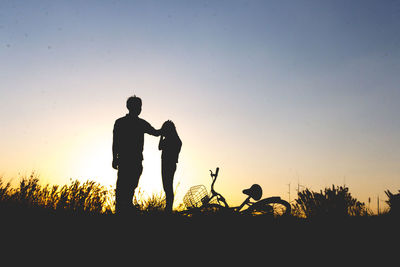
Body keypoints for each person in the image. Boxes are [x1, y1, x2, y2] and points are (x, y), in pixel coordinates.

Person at [112, 95, 161, 214]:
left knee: (126, 188)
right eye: (139, 106)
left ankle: (124, 210)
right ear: (131, 107)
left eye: (140, 106)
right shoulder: (137, 123)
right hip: (131, 161)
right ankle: (124, 211)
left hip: (127, 161)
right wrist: (114, 158)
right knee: (126, 188)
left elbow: (115, 143)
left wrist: (114, 158)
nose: (140, 109)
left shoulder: (121, 122)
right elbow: (156, 133)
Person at [158, 120, 182, 213]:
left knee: (168, 187)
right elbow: (160, 147)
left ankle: (168, 209)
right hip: (168, 164)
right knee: (168, 186)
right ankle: (168, 208)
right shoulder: (176, 139)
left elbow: (160, 147)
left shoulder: (170, 140)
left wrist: (161, 136)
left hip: (168, 164)